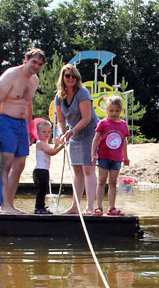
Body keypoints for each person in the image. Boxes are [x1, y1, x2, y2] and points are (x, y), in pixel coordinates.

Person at [0, 48, 47, 214]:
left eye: (40, 64)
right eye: (34, 61)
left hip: (21, 125)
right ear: (26, 59)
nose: (36, 66)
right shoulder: (10, 75)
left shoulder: (34, 81)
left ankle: (10, 204)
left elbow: (28, 104)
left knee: (19, 165)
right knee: (6, 163)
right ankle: (4, 205)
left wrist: (30, 128)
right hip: (5, 122)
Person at [54, 64, 100, 215]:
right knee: (77, 170)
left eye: (74, 76)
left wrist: (71, 131)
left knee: (88, 168)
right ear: (63, 77)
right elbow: (60, 121)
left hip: (89, 132)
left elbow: (87, 118)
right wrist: (62, 134)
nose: (71, 78)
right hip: (74, 133)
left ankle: (89, 207)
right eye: (68, 76)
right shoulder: (59, 97)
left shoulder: (82, 93)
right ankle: (75, 206)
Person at [91, 96, 130, 216]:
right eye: (111, 110)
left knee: (113, 182)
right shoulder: (103, 123)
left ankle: (112, 207)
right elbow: (96, 139)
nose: (114, 113)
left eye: (117, 111)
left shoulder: (123, 125)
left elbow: (124, 141)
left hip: (116, 158)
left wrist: (125, 157)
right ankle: (98, 207)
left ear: (121, 111)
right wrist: (93, 154)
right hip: (103, 156)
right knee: (102, 181)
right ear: (106, 110)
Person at [32, 119, 65, 214]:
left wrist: (57, 145)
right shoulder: (40, 143)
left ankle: (41, 206)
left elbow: (51, 151)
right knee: (42, 190)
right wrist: (61, 147)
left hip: (44, 170)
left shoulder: (45, 144)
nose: (47, 134)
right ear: (38, 133)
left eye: (49, 131)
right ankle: (38, 208)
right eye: (44, 132)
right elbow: (52, 152)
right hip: (40, 171)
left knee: (44, 189)